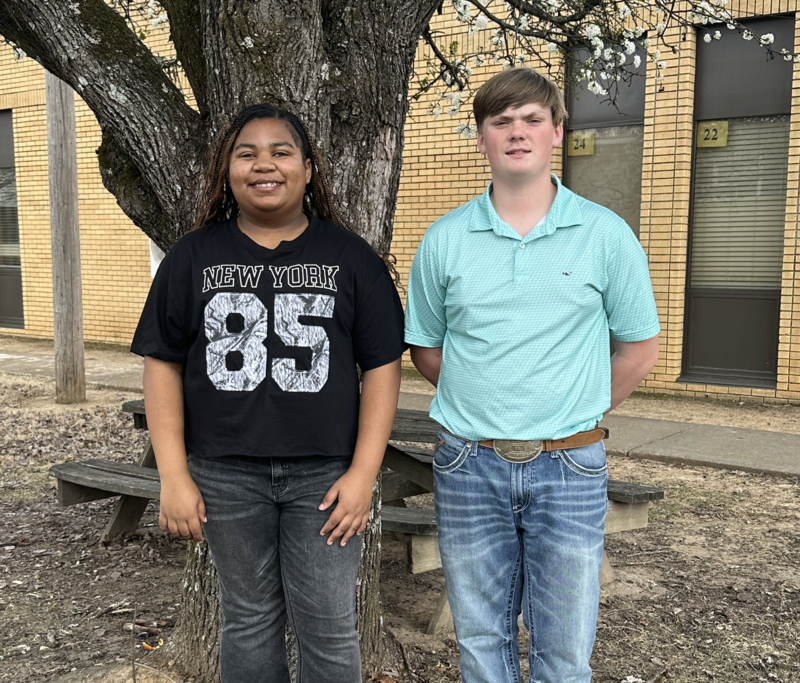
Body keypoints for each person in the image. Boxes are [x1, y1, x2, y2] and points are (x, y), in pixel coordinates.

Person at [131, 103, 405, 683]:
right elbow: (162, 366)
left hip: (325, 477)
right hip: (225, 473)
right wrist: (174, 477)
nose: (265, 164)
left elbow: (382, 368)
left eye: (281, 151)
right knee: (248, 619)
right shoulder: (192, 258)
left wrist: (363, 475)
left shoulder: (350, 258)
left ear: (308, 168)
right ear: (227, 170)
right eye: (246, 152)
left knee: (329, 622)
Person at [405, 68, 660, 683]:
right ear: (481, 139)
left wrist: (575, 410)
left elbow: (639, 349)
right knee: (480, 641)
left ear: (557, 132)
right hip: (469, 467)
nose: (516, 132)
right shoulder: (444, 240)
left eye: (531, 119)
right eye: (501, 121)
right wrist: (485, 401)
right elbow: (428, 349)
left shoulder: (605, 235)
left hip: (570, 466)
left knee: (565, 650)